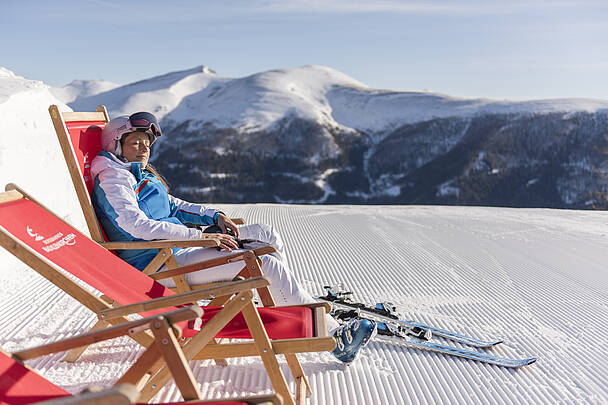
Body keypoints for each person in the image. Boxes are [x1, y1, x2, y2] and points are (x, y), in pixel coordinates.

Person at [90, 112, 376, 363]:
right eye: (135, 142)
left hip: (178, 249)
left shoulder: (136, 173)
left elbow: (173, 205)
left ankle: (285, 302)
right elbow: (135, 225)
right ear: (116, 144)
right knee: (265, 266)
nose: (144, 148)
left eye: (147, 143)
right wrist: (199, 236)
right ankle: (333, 339)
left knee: (265, 234)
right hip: (159, 264)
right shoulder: (113, 179)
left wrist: (213, 218)